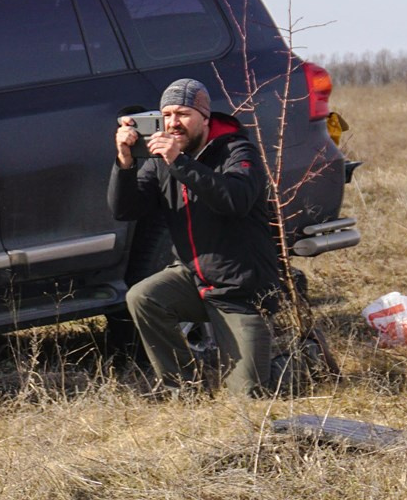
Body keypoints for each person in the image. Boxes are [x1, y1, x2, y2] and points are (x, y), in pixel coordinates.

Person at [110, 78, 280, 398]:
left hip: (239, 290)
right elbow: (125, 210)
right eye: (167, 115)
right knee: (143, 297)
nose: (174, 123)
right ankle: (184, 390)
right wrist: (125, 163)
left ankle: (303, 360)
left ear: (205, 117)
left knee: (249, 397)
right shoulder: (162, 160)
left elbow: (235, 200)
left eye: (183, 114)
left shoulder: (236, 150)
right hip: (194, 278)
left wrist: (180, 162)